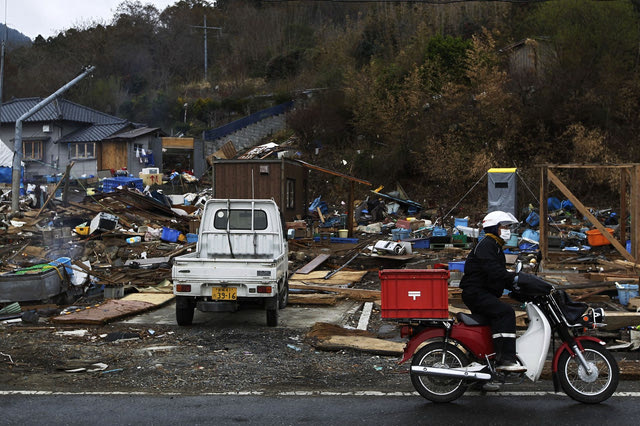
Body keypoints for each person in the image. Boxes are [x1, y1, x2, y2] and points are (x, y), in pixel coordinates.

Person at [459, 210, 526, 373]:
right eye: (505, 226)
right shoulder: (487, 245)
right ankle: (506, 359)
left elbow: (497, 276)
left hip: (482, 293)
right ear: (495, 228)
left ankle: (484, 369)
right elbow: (495, 272)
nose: (508, 230)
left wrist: (516, 285)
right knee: (506, 313)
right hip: (476, 293)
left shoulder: (494, 246)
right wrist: (514, 279)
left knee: (489, 326)